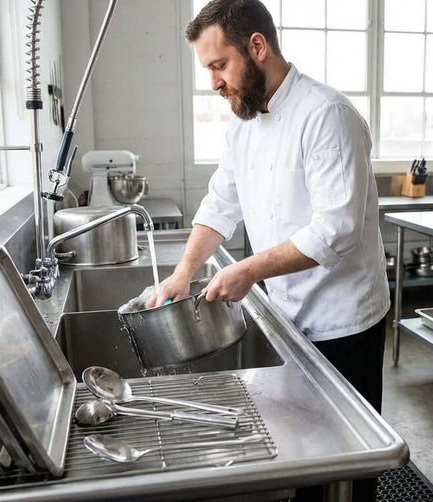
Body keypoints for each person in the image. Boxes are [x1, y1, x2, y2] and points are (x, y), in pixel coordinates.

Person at [150, 1, 389, 498]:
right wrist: (182, 273)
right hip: (286, 313)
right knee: (303, 452)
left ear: (257, 47)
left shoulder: (328, 115)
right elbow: (219, 204)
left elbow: (337, 230)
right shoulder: (242, 122)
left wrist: (248, 270)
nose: (214, 82)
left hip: (342, 318)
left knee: (348, 460)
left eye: (219, 65)